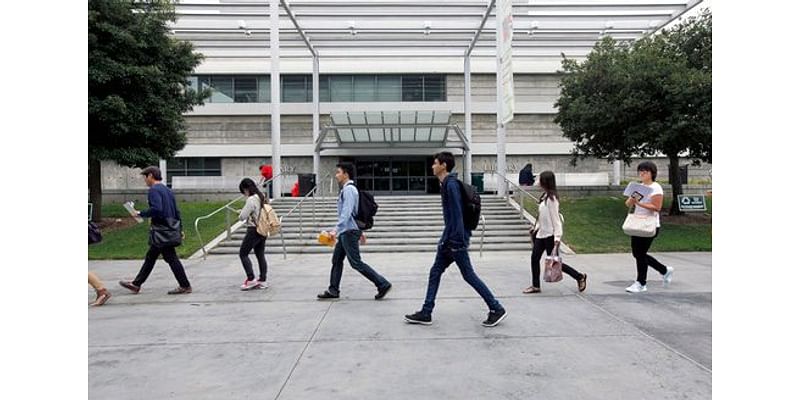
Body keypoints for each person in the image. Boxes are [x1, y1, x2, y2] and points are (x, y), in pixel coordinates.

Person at [405, 152, 507, 327]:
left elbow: (457, 215)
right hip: (450, 239)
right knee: (435, 272)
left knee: (468, 275)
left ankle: (496, 308)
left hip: (455, 240)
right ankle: (426, 311)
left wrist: (456, 241)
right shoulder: (446, 184)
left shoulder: (450, 185)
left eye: (435, 163)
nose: (432, 166)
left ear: (444, 165)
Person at [317, 163, 392, 300]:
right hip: (348, 231)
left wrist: (335, 230)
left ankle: (382, 283)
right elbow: (354, 214)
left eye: (338, 172)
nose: (336, 175)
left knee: (356, 263)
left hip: (348, 232)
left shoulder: (349, 190)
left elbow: (347, 212)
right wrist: (360, 231)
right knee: (337, 260)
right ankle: (333, 290)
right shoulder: (347, 189)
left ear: (346, 174)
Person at [119, 166, 193, 295]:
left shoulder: (154, 190)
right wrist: (179, 228)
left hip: (161, 231)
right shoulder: (167, 190)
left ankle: (185, 285)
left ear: (151, 176)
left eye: (145, 177)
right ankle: (137, 284)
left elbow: (157, 209)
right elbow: (177, 211)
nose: (144, 180)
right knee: (154, 257)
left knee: (168, 258)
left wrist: (140, 213)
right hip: (169, 228)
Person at [525, 170, 587, 294]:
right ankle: (535, 286)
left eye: (540, 180)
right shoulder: (544, 196)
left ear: (545, 182)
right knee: (534, 258)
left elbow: (556, 219)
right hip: (541, 234)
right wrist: (536, 228)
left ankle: (579, 276)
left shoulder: (552, 199)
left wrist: (557, 238)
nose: (538, 182)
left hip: (550, 235)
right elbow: (542, 216)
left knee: (555, 263)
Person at [624, 161, 674, 293]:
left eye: (645, 171)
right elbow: (628, 204)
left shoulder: (656, 188)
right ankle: (664, 270)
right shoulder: (639, 187)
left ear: (652, 173)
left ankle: (641, 283)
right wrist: (631, 200)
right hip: (637, 223)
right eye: (640, 171)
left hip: (650, 224)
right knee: (637, 253)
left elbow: (656, 207)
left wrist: (640, 204)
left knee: (640, 254)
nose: (642, 174)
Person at [236, 178, 269, 291]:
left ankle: (251, 279)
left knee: (243, 253)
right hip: (263, 229)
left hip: (253, 230)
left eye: (243, 191)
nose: (244, 194)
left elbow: (242, 217)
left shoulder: (251, 200)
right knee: (260, 254)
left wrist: (240, 213)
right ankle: (262, 280)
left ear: (246, 189)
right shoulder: (261, 196)